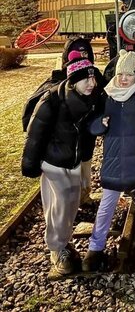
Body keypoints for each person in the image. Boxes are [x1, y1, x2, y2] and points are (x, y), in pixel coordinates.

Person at [82, 50, 135, 272]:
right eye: (120, 74)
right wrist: (100, 125)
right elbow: (91, 125)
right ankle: (95, 247)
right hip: (114, 161)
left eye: (129, 75)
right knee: (106, 206)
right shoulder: (107, 96)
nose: (123, 79)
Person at [21, 51, 101, 277]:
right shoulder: (52, 101)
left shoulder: (90, 99)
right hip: (54, 162)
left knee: (71, 204)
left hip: (73, 162)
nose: (92, 83)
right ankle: (57, 251)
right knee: (59, 205)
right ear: (73, 81)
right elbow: (35, 134)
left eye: (93, 78)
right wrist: (30, 164)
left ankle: (64, 243)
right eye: (86, 79)